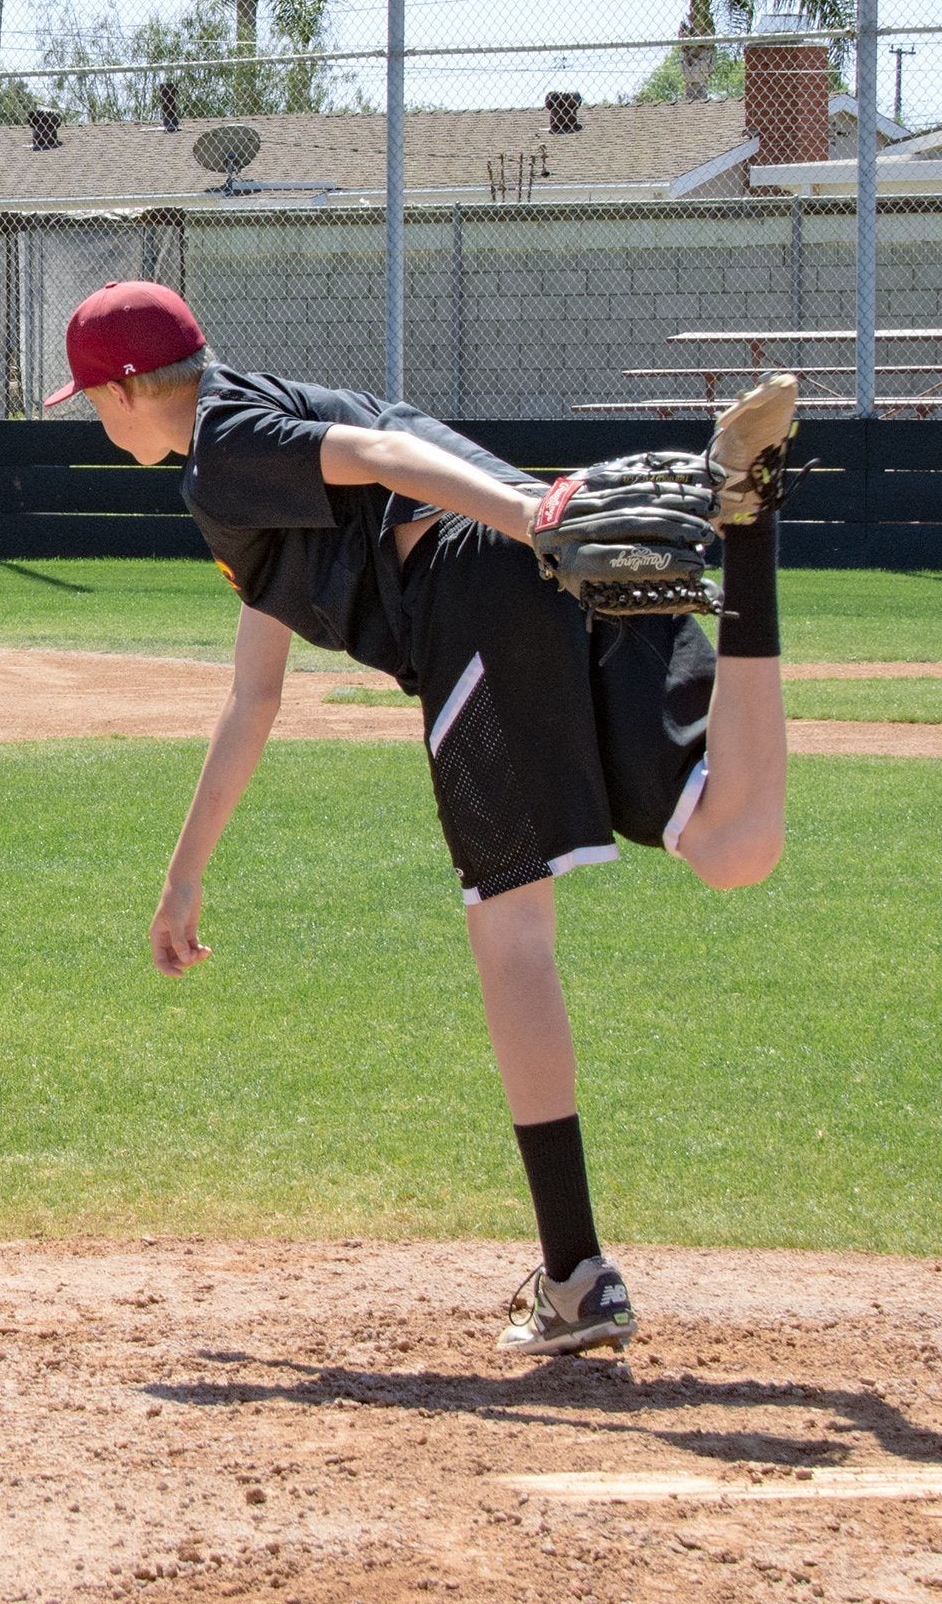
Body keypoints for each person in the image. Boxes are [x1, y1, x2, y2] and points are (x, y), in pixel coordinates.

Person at [45, 280, 795, 1356]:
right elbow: (253, 692)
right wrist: (183, 873)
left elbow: (386, 460)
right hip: (547, 563)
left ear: (126, 391)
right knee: (733, 842)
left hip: (478, 583)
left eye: (92, 398)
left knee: (511, 933)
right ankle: (752, 526)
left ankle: (574, 1276)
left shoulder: (222, 445)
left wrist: (533, 518)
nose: (93, 416)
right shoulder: (244, 460)